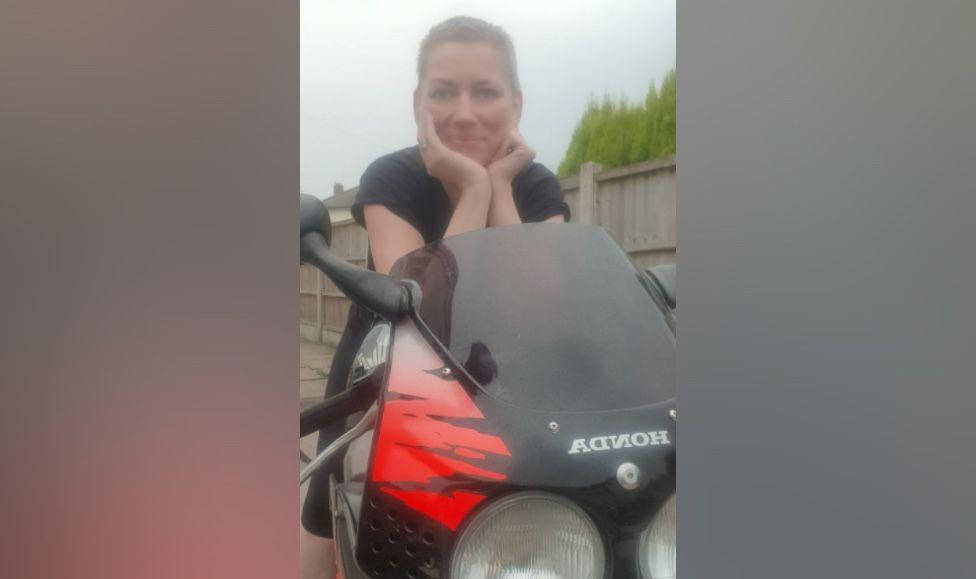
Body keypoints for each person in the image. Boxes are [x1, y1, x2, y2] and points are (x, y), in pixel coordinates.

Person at [300, 15, 570, 579]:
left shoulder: (539, 184)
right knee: (326, 530)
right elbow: (426, 305)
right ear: (417, 101)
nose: (464, 112)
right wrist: (474, 185)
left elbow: (546, 303)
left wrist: (499, 187)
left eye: (486, 92)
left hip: (499, 380)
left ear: (515, 105)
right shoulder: (390, 179)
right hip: (384, 374)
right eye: (444, 91)